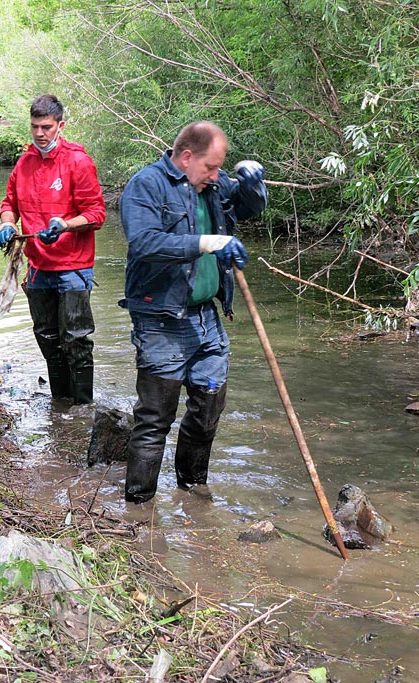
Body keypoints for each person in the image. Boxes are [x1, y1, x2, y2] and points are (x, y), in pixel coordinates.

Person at [119, 121, 267, 503]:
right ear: (186, 157)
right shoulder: (146, 185)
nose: (217, 175)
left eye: (220, 168)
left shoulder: (212, 184)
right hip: (160, 319)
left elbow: (248, 209)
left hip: (206, 318)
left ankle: (193, 491)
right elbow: (144, 242)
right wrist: (208, 241)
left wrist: (253, 187)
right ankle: (139, 507)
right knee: (155, 418)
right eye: (211, 167)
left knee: (207, 411)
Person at [0, 94, 106, 405]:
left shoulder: (78, 162)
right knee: (47, 337)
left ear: (60, 126)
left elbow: (96, 214)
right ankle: (61, 403)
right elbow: (9, 205)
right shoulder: (24, 163)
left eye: (46, 127)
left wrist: (65, 226)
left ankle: (83, 408)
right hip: (38, 268)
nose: (40, 133)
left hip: (73, 266)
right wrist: (8, 225)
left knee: (76, 339)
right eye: (34, 127)